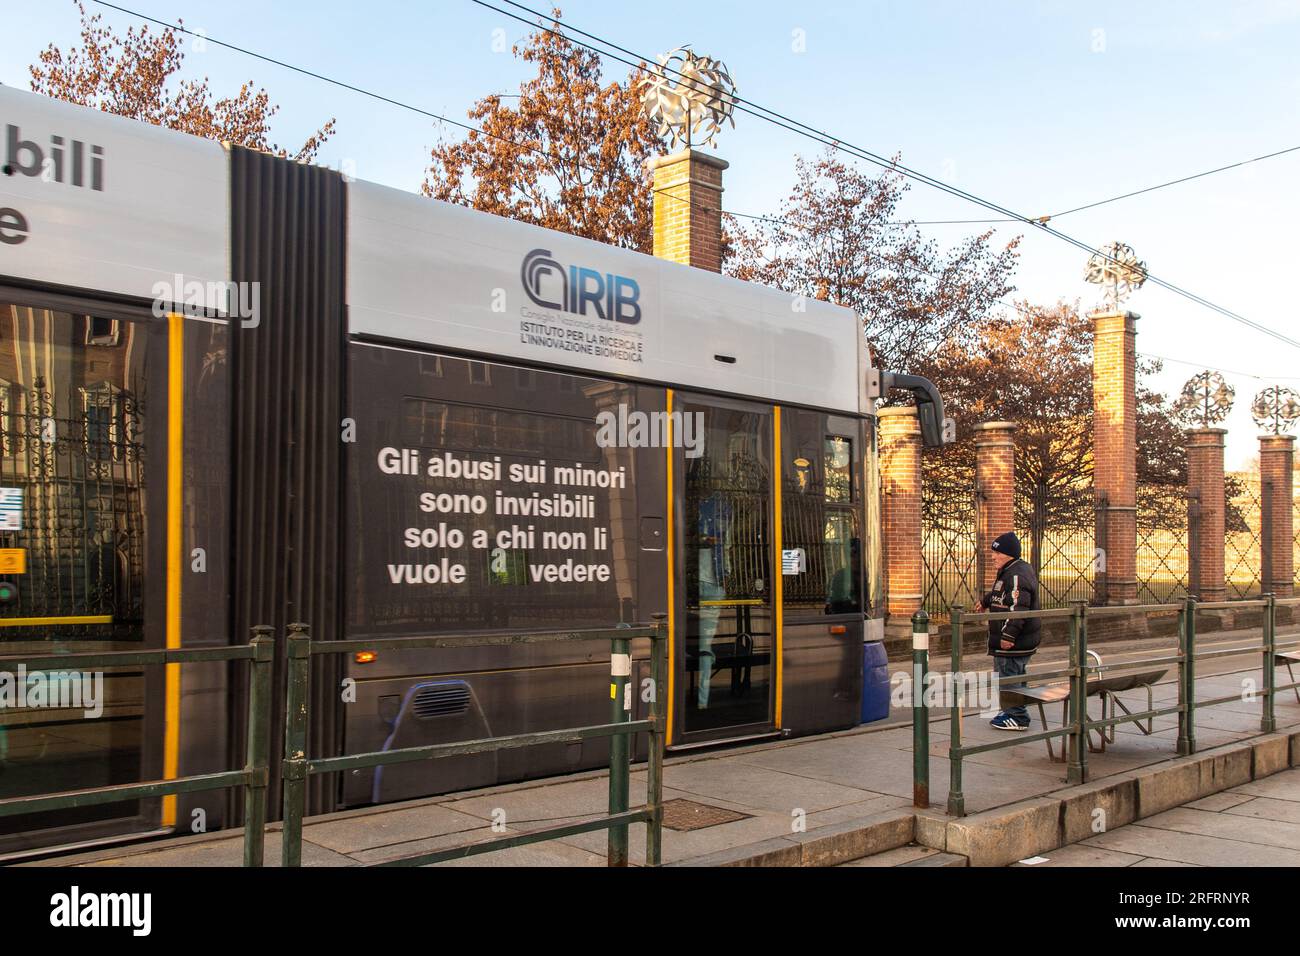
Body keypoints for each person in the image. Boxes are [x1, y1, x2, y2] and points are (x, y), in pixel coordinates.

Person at [977, 531, 1041, 731]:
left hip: (1014, 642)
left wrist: (1008, 636)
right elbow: (999, 592)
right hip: (1018, 641)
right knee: (1014, 676)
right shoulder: (1010, 571)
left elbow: (1018, 608)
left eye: (997, 553)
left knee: (1008, 678)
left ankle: (1018, 716)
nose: (993, 557)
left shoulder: (1016, 575)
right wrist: (985, 601)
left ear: (1009, 554)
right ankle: (1012, 710)